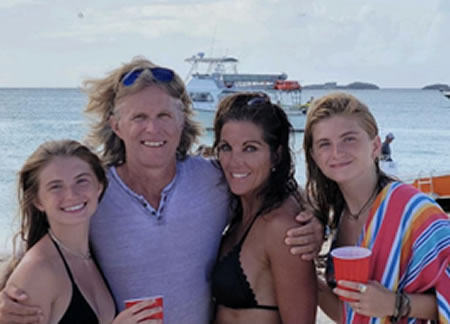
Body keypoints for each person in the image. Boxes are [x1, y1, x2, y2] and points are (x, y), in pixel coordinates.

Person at [0, 57, 324, 324]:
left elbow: (263, 185)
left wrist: (309, 217)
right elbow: (51, 242)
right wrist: (8, 290)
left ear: (183, 121)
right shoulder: (94, 191)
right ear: (116, 125)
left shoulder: (213, 179)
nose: (153, 128)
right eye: (139, 117)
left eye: (165, 115)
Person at [302, 92, 449, 323]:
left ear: (375, 146)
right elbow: (350, 315)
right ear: (314, 156)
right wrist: (301, 268)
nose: (337, 152)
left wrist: (397, 303)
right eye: (324, 144)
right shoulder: (338, 216)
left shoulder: (416, 212)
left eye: (348, 139)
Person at [0, 140, 162, 324]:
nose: (71, 194)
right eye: (56, 186)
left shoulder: (94, 254)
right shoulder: (38, 271)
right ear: (38, 201)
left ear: (99, 187)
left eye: (81, 180)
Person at [211, 93, 318, 324]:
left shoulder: (282, 228)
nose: (234, 161)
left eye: (250, 148)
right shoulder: (237, 210)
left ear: (276, 155)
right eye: (226, 147)